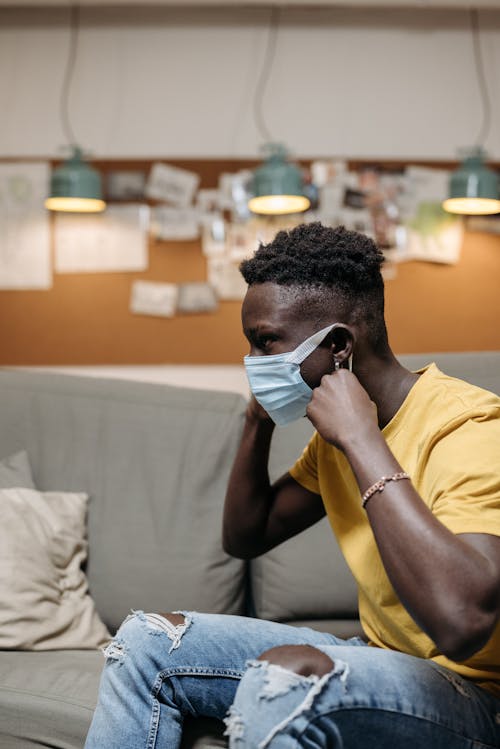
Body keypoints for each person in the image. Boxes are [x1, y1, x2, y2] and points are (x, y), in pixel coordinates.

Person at [85, 222, 500, 749]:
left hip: (476, 698)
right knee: (147, 642)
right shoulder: (330, 442)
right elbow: (246, 536)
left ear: (338, 347)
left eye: (266, 344)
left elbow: (463, 623)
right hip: (380, 663)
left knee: (287, 675)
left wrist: (361, 440)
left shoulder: (471, 429)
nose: (253, 364)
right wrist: (257, 421)